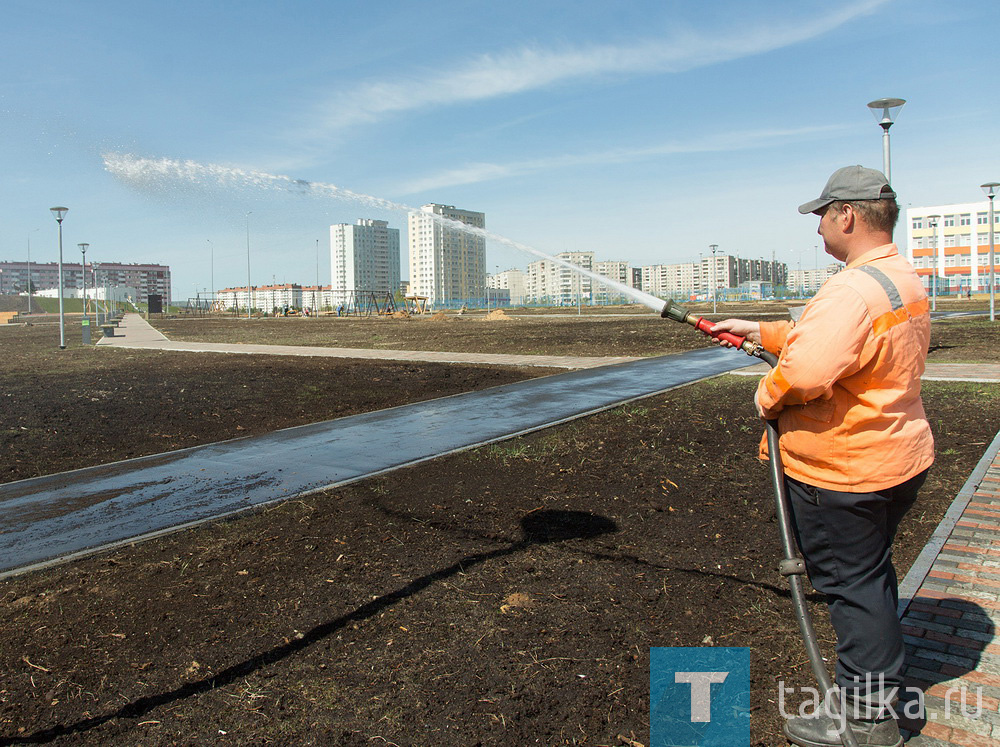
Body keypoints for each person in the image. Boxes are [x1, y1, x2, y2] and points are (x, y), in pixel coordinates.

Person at [712, 165, 934, 747]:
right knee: (869, 575)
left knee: (851, 588)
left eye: (821, 218)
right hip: (895, 456)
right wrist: (762, 330)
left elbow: (808, 370)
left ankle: (866, 719)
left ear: (847, 215)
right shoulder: (895, 277)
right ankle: (878, 694)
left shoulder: (850, 288)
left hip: (844, 470)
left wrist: (767, 394)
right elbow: (839, 338)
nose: (819, 231)